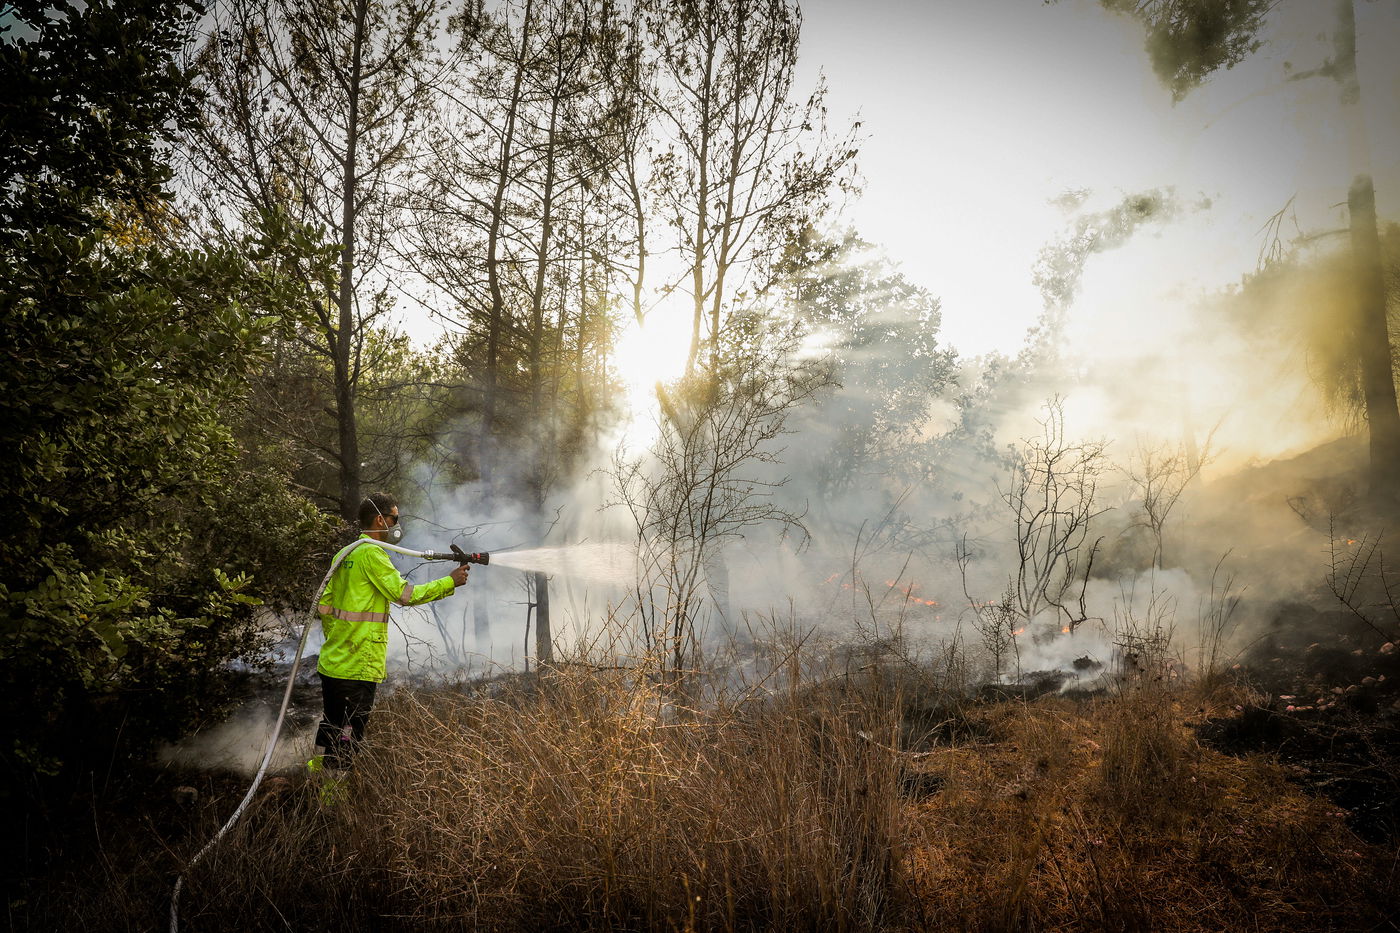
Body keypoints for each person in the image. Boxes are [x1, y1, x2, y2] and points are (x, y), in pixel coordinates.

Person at [313, 493, 469, 769]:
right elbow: (404, 595)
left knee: (332, 729)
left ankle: (315, 784)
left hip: (334, 664)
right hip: (356, 668)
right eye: (395, 518)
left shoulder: (345, 553)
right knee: (347, 741)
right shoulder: (372, 553)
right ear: (380, 519)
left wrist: (339, 638)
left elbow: (324, 605)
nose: (397, 524)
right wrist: (449, 582)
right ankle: (332, 797)